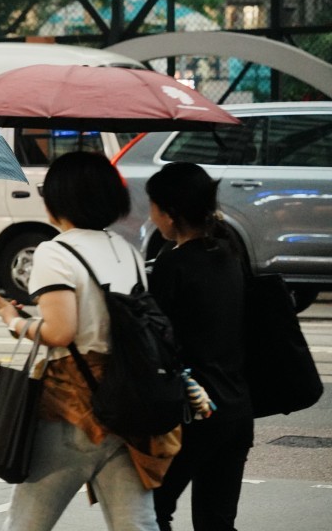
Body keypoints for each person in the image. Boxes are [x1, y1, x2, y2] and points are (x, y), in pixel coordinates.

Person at [0, 151, 178, 531]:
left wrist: (15, 321)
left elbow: (61, 333)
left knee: (26, 525)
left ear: (59, 199)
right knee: (136, 525)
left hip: (71, 410)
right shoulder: (127, 251)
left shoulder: (54, 252)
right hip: (127, 405)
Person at [146, 162, 253, 531]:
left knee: (151, 511)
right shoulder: (229, 254)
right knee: (217, 522)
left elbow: (157, 339)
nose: (152, 216)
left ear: (170, 213)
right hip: (237, 410)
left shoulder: (172, 265)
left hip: (195, 412)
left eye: (153, 206)